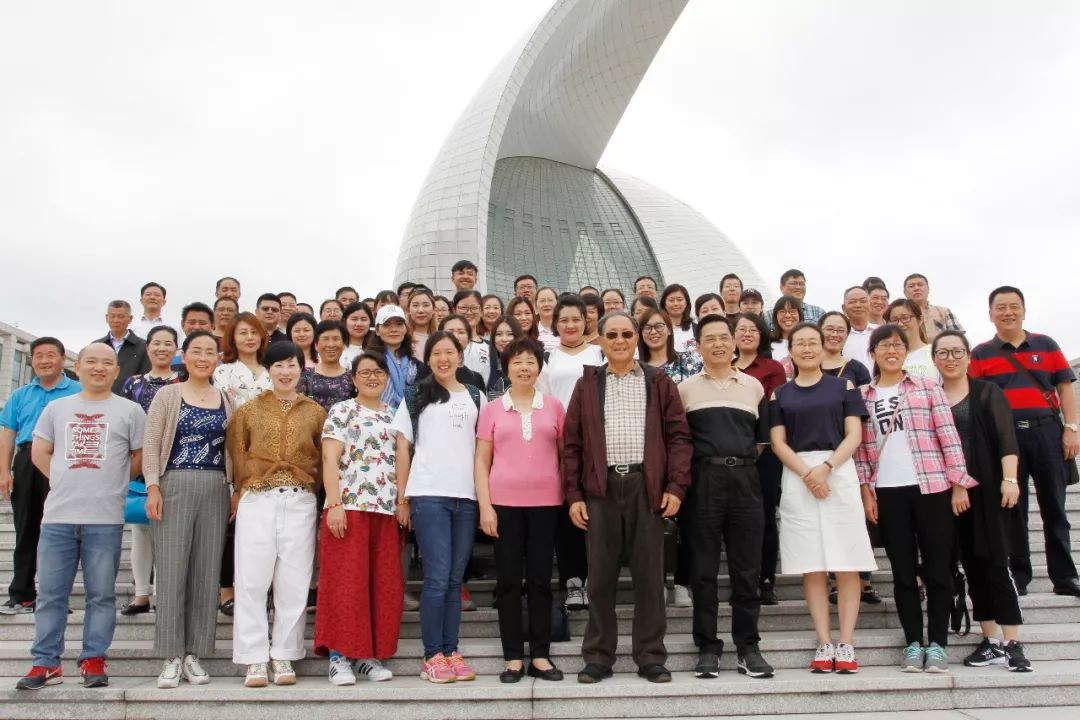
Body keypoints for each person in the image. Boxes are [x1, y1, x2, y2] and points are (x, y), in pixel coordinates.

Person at [564, 311, 692, 684]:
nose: (619, 341)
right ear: (600, 340)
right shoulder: (588, 384)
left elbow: (679, 437)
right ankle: (598, 657)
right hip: (600, 489)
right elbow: (571, 444)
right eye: (612, 335)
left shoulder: (658, 381)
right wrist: (574, 495)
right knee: (599, 579)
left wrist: (675, 486)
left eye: (626, 334)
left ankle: (651, 657)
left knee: (650, 578)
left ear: (636, 337)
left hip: (646, 487)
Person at [14, 343, 145, 690]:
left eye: (107, 363)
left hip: (105, 519)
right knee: (50, 594)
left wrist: (115, 483)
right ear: (79, 366)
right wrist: (61, 479)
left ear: (117, 371)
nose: (99, 368)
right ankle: (46, 662)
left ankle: (93, 657)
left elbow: (139, 456)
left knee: (100, 594)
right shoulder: (57, 408)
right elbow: (40, 452)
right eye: (92, 362)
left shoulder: (130, 411)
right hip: (58, 516)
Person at [854, 324, 976, 673]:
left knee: (938, 568)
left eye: (897, 345)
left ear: (906, 351)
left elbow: (948, 435)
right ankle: (912, 642)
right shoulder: (862, 396)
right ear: (872, 352)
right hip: (887, 491)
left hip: (931, 486)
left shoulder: (927, 387)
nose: (891, 351)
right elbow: (861, 451)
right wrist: (866, 492)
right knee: (903, 572)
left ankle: (937, 643)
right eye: (884, 345)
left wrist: (959, 483)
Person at [769, 322, 875, 674]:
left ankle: (846, 642)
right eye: (800, 343)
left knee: (846, 561)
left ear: (824, 345)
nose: (807, 348)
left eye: (812, 342)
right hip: (798, 473)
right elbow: (778, 442)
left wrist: (826, 468)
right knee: (811, 564)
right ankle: (824, 640)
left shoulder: (844, 386)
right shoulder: (780, 394)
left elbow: (854, 434)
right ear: (791, 352)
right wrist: (808, 474)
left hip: (838, 470)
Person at [678, 315, 774, 679]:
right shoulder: (685, 389)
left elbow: (761, 441)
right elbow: (680, 441)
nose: (718, 344)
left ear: (734, 343)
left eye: (724, 337)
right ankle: (707, 647)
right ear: (699, 346)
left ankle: (748, 646)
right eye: (710, 338)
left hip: (746, 480)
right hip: (704, 480)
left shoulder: (753, 387)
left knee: (746, 568)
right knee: (703, 569)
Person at [227, 341, 326, 688]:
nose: (285, 372)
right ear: (268, 370)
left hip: (300, 500)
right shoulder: (248, 411)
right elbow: (237, 454)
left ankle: (284, 652)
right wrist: (243, 489)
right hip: (258, 498)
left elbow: (322, 459)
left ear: (301, 368)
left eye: (291, 365)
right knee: (252, 580)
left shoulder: (315, 412)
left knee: (294, 582)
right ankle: (254, 657)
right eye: (278, 366)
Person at [969, 286, 1080, 597]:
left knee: (1055, 507)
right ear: (990, 314)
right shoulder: (981, 353)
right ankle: (1019, 575)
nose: (1008, 312)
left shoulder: (1046, 344)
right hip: (1006, 439)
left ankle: (1065, 577)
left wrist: (1071, 427)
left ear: (1024, 310)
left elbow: (1065, 388)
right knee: (1013, 509)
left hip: (1047, 433)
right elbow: (976, 399)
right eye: (1001, 307)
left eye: (1013, 306)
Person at [933, 330, 1032, 672]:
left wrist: (1010, 479)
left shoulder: (987, 392)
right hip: (949, 494)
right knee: (971, 566)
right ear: (934, 359)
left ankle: (1013, 642)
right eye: (943, 353)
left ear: (968, 356)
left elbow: (1007, 439)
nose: (950, 358)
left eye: (957, 351)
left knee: (996, 564)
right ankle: (990, 640)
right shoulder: (932, 396)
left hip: (989, 488)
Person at [143, 331, 236, 689]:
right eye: (196, 351)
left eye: (210, 352)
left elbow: (233, 450)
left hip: (215, 487)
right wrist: (153, 486)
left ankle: (195, 653)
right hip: (174, 484)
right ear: (184, 355)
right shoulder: (168, 395)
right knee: (171, 570)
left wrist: (235, 488)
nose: (203, 357)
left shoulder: (226, 398)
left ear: (217, 359)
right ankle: (171, 655)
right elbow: (152, 442)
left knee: (206, 572)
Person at [393, 331, 486, 684]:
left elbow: (484, 450)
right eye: (436, 353)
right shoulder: (416, 394)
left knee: (453, 579)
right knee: (436, 577)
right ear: (428, 359)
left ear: (460, 357)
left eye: (450, 352)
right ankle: (432, 655)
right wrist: (403, 499)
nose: (443, 359)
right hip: (429, 495)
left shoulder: (476, 396)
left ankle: (451, 650)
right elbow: (403, 449)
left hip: (467, 497)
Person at [475, 337, 566, 683]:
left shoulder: (554, 407)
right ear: (506, 368)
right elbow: (481, 461)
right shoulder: (492, 409)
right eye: (517, 362)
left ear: (539, 367)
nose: (524, 367)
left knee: (541, 581)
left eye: (530, 361)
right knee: (509, 582)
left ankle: (540, 655)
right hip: (504, 506)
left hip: (546, 505)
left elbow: (564, 456)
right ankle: (513, 657)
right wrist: (485, 506)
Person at [315, 351, 403, 685]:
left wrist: (402, 502)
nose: (372, 377)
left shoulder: (394, 414)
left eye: (378, 372)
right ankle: (339, 657)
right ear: (353, 379)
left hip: (384, 509)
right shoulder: (342, 410)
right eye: (364, 372)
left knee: (379, 585)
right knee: (345, 583)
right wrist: (335, 503)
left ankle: (368, 655)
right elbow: (329, 457)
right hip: (349, 506)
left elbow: (401, 460)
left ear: (387, 378)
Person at [0, 337, 82, 616]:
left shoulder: (78, 391)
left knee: (62, 530)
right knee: (26, 528)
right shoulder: (20, 395)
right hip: (26, 460)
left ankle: (56, 595)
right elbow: (8, 434)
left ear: (62, 359)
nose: (44, 360)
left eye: (50, 355)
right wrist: (4, 471)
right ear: (32, 360)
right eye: (38, 356)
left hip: (65, 460)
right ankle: (22, 594)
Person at [212, 313, 271, 617]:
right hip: (233, 451)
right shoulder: (223, 372)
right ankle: (226, 588)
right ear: (232, 338)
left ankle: (263, 588)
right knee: (232, 524)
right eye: (243, 333)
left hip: (271, 457)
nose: (249, 338)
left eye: (254, 332)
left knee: (264, 528)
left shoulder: (272, 371)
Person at [118, 326, 180, 615]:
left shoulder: (183, 381)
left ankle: (163, 594)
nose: (162, 349)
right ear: (148, 347)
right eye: (157, 343)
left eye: (168, 344)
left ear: (176, 349)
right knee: (141, 529)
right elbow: (125, 422)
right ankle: (141, 593)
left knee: (170, 533)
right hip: (142, 461)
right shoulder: (134, 383)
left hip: (176, 462)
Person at [732, 312, 787, 606]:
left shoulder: (772, 368)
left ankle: (766, 580)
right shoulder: (724, 366)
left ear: (762, 334)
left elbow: (774, 409)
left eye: (753, 329)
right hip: (732, 452)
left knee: (765, 517)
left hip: (765, 454)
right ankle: (743, 582)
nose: (747, 333)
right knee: (736, 521)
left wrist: (762, 444)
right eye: (741, 329)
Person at [298, 321, 355, 412]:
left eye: (336, 339)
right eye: (325, 339)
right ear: (316, 345)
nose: (331, 344)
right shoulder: (305, 376)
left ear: (344, 344)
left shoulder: (353, 378)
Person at [638, 308, 702, 385]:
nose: (653, 332)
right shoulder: (636, 370)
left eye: (659, 326)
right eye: (647, 328)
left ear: (669, 330)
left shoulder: (689, 362)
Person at [369, 305, 417, 410]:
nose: (394, 330)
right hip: (377, 416)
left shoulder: (415, 364)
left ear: (405, 328)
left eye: (399, 324)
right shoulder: (369, 362)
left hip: (410, 416)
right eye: (386, 325)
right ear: (377, 330)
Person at [98, 299, 150, 393]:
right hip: (100, 397)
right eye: (112, 316)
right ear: (106, 318)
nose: (116, 320)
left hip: (131, 398)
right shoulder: (96, 346)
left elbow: (146, 377)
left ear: (130, 319)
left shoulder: (143, 346)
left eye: (120, 316)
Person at [885, 299, 940, 382]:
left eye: (905, 318)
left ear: (920, 320)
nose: (900, 324)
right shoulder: (885, 355)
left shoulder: (935, 352)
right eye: (894, 320)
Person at [903, 273, 963, 342]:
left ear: (928, 290)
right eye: (911, 286)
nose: (916, 288)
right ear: (905, 292)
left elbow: (959, 339)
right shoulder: (898, 316)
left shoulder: (944, 312)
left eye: (920, 285)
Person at [820, 312, 872, 387]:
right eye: (829, 329)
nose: (834, 334)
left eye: (841, 330)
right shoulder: (806, 364)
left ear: (847, 335)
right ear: (819, 331)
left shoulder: (858, 369)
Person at [441, 314, 491, 389]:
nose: (455, 336)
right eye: (450, 332)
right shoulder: (430, 370)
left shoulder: (476, 378)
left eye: (461, 332)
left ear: (469, 338)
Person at [484, 315, 525, 399]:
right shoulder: (485, 364)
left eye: (510, 334)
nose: (504, 339)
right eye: (499, 334)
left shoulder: (527, 364)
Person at [841, 286, 877, 372]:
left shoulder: (882, 332)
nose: (858, 305)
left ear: (870, 305)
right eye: (852, 302)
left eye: (863, 301)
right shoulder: (839, 335)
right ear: (843, 308)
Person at [769, 295, 804, 366]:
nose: (787, 315)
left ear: (799, 315)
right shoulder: (767, 343)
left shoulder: (808, 342)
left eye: (792, 311)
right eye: (782, 312)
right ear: (776, 317)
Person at [406, 287, 439, 360]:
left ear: (434, 309)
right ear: (408, 310)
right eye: (415, 305)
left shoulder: (441, 338)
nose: (420, 310)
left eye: (426, 305)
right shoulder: (402, 338)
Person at [660, 284, 694, 352]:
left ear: (686, 303)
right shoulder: (659, 329)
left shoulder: (697, 328)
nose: (675, 303)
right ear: (664, 304)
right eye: (671, 300)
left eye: (679, 300)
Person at [341, 301, 375, 368]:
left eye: (364, 319)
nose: (359, 324)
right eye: (354, 319)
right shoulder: (337, 348)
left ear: (370, 322)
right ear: (345, 321)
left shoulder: (378, 348)